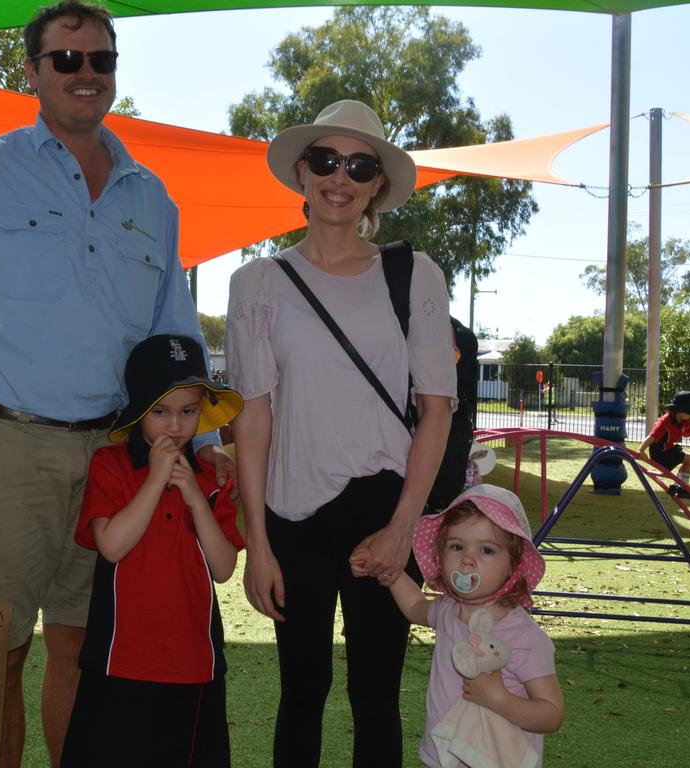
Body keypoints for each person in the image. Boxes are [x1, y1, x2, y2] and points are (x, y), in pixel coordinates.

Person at [0, 4, 230, 765]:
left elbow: (172, 336)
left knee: (86, 651)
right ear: (32, 73)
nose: (87, 74)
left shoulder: (153, 196)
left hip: (117, 458)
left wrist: (201, 447)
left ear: (115, 72)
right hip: (2, 445)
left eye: (101, 60)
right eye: (67, 60)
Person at [225, 99, 456, 767]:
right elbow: (253, 414)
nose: (340, 177)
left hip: (385, 506)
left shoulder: (414, 276)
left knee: (376, 694)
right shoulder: (257, 283)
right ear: (302, 171)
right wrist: (258, 545)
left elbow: (436, 410)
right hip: (292, 512)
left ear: (378, 183)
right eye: (326, 160)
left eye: (359, 165)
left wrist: (401, 529)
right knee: (302, 690)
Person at [62, 334, 244, 767]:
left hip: (194, 664)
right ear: (138, 411)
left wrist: (195, 497)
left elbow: (222, 568)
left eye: (187, 411)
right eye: (160, 412)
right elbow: (111, 545)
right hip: (119, 660)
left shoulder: (211, 480)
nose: (175, 426)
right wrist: (154, 480)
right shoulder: (111, 465)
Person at [369, 484, 564, 767]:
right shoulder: (449, 609)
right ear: (441, 554)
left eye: (486, 550)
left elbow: (552, 713)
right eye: (457, 546)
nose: (467, 559)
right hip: (442, 756)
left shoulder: (523, 637)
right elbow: (415, 608)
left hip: (499, 760)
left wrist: (500, 699)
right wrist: (393, 575)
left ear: (513, 565)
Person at [639, 390, 690, 498]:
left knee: (687, 461)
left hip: (668, 450)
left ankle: (676, 487)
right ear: (681, 411)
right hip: (660, 455)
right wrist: (641, 450)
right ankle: (682, 488)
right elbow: (651, 437)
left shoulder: (684, 421)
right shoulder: (665, 422)